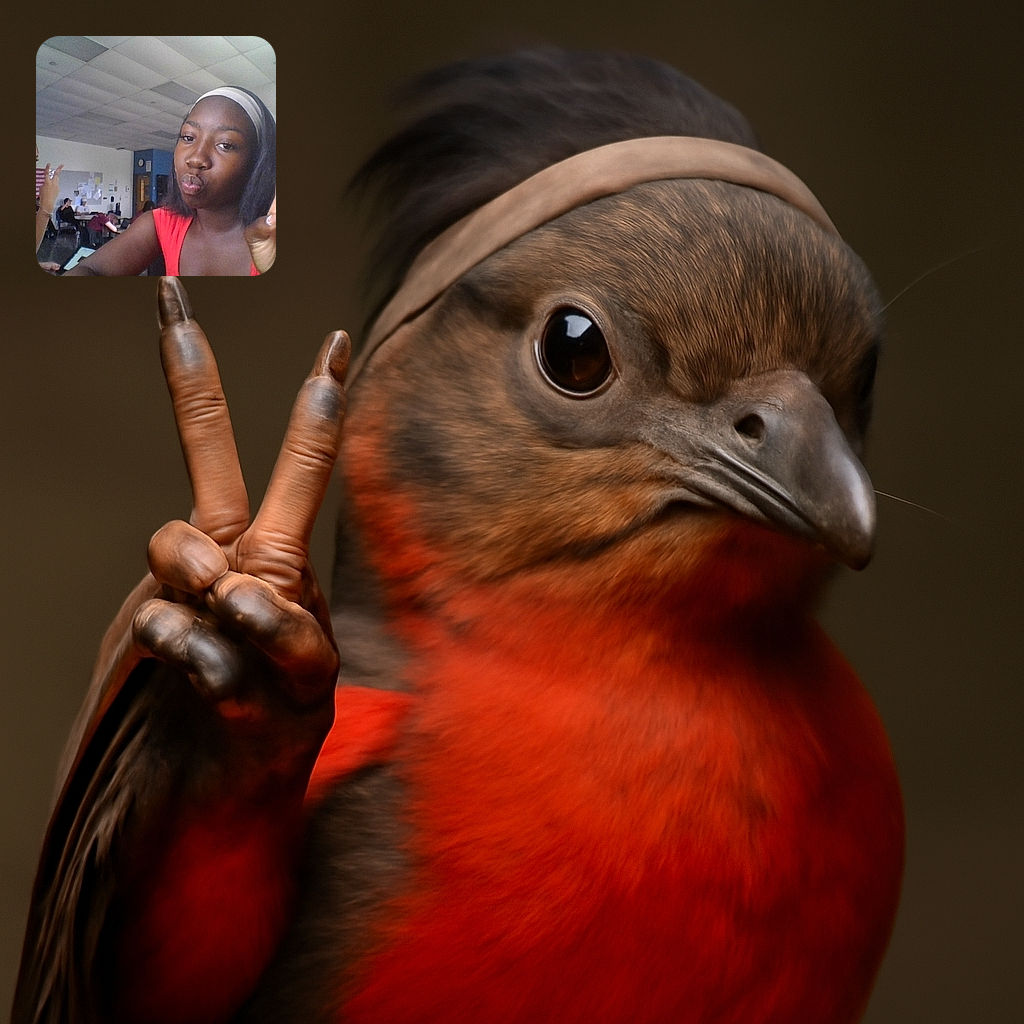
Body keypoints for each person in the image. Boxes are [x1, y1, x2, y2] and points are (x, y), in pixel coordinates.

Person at [63, 87, 276, 276]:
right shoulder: (161, 223)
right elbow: (92, 268)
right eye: (188, 137)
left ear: (258, 162)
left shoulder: (271, 240)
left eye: (226, 145)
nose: (195, 158)